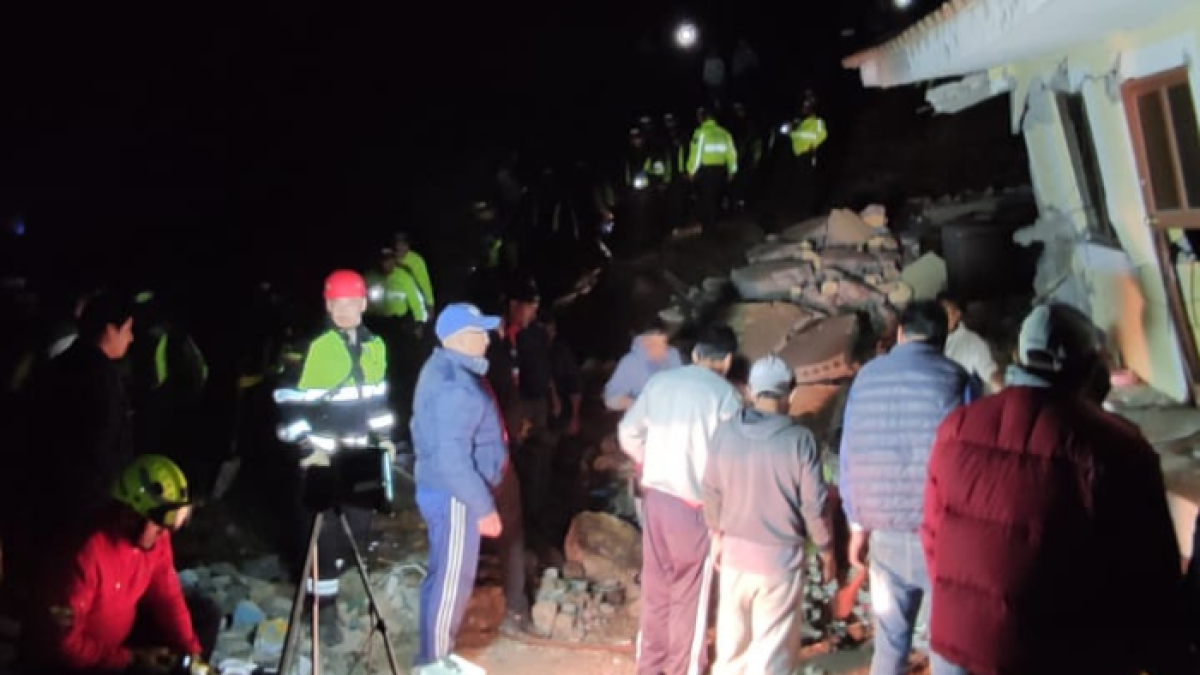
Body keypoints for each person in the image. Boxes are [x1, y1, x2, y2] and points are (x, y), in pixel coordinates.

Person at [923, 304, 1199, 675]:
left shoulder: (957, 427)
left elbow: (932, 536)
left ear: (1019, 357)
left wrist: (971, 604)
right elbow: (1149, 576)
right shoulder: (1113, 446)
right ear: (1092, 369)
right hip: (1050, 654)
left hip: (958, 647)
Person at [838, 301, 974, 675]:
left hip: (884, 535)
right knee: (947, 643)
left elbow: (849, 452)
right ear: (942, 339)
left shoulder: (866, 378)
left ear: (900, 333)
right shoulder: (957, 378)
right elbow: (974, 457)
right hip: (941, 535)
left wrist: (856, 526)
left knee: (890, 643)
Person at [272, 270, 394, 646]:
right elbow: (287, 400)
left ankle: (338, 589)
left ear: (363, 304)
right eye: (337, 303)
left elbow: (377, 399)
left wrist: (384, 439)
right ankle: (322, 612)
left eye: (351, 303)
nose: (344, 310)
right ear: (328, 305)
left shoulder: (375, 346)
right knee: (321, 534)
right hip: (321, 456)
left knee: (356, 528)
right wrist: (307, 449)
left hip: (358, 454)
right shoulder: (311, 345)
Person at [618, 325, 742, 675]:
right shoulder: (725, 397)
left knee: (656, 589)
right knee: (690, 596)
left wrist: (648, 459)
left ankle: (650, 666)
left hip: (656, 502)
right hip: (694, 509)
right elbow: (732, 459)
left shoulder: (661, 383)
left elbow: (627, 432)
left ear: (696, 354)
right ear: (727, 360)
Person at [24, 455, 219, 674]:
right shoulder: (85, 555)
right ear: (131, 515)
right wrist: (130, 659)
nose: (164, 533)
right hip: (85, 659)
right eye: (159, 524)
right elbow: (64, 645)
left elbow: (166, 595)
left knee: (204, 615)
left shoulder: (154, 539)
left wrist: (192, 650)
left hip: (123, 640)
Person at [703, 355, 835, 675]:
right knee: (770, 656)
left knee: (731, 652)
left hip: (734, 558)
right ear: (791, 393)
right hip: (779, 564)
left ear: (750, 391)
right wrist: (827, 550)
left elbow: (710, 490)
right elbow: (815, 505)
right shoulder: (800, 440)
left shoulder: (725, 433)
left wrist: (716, 535)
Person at [412, 303, 508, 669]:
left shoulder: (443, 370)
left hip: (445, 490)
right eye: (479, 332)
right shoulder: (456, 385)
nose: (486, 339)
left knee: (443, 576)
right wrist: (484, 508)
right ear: (460, 338)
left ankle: (433, 654)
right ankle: (434, 662)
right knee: (453, 580)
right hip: (455, 496)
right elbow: (452, 458)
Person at [604, 318, 683, 411]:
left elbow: (680, 384)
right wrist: (638, 405)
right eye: (653, 342)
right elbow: (610, 398)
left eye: (663, 341)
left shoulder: (673, 354)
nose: (661, 348)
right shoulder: (630, 362)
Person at [687, 108, 738, 237]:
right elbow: (731, 153)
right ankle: (713, 227)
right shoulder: (725, 133)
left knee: (706, 200)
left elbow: (696, 154)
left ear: (702, 118)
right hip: (720, 171)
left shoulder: (701, 132)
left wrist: (691, 171)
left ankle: (708, 230)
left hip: (705, 171)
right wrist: (732, 170)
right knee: (715, 199)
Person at [937, 293, 1002, 393]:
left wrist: (1002, 392)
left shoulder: (972, 342)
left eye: (946, 311)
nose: (941, 317)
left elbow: (990, 372)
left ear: (958, 314)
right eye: (938, 312)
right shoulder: (924, 337)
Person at [789, 90, 828, 219]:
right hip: (799, 155)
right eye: (803, 107)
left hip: (808, 154)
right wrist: (792, 131)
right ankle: (801, 209)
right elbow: (796, 137)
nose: (804, 109)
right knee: (800, 182)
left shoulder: (816, 121)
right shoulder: (801, 123)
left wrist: (813, 145)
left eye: (806, 107)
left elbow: (823, 135)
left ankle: (810, 210)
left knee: (808, 182)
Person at [393, 231, 435, 318]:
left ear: (408, 246)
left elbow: (425, 283)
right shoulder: (389, 259)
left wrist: (430, 304)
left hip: (413, 304)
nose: (400, 247)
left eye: (403, 244)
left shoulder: (416, 260)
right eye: (398, 244)